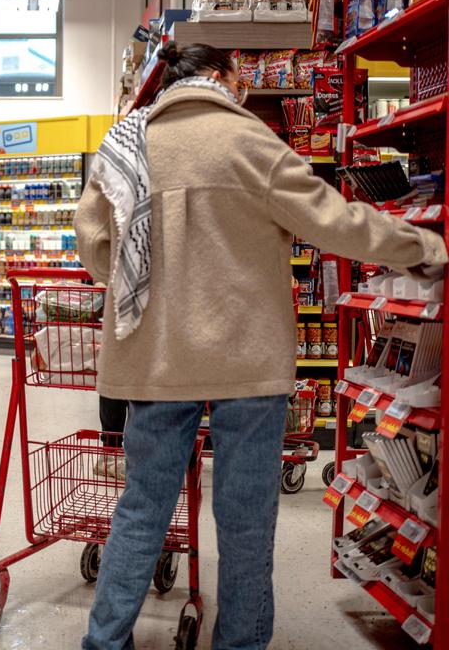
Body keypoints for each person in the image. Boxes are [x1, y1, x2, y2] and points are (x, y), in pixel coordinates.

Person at [75, 41, 447, 650]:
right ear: (224, 77)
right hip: (247, 363)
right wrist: (423, 247)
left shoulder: (127, 144)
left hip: (155, 361)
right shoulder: (252, 144)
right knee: (246, 523)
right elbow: (338, 222)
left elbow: (94, 248)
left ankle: (104, 641)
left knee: (142, 512)